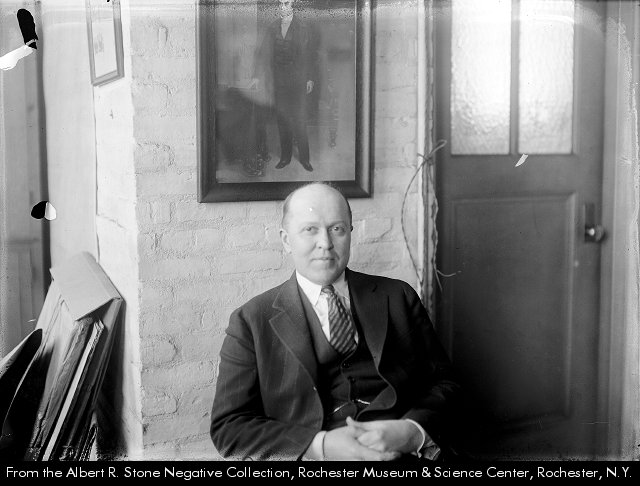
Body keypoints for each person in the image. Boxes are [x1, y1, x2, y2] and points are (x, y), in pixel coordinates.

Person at [210, 183, 461, 461]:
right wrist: (321, 445)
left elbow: (446, 384)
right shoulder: (251, 320)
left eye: (337, 229)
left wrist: (411, 431)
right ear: (286, 240)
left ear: (350, 233)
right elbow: (229, 428)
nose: (326, 243)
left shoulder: (398, 296)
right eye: (310, 229)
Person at [250, 0, 319, 172]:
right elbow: (263, 52)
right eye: (280, 3)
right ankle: (285, 157)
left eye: (286, 3)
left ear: (293, 4)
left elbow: (310, 55)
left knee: (299, 119)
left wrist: (310, 78)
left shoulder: (302, 27)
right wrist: (257, 76)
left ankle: (305, 159)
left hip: (298, 80)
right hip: (279, 80)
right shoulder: (273, 27)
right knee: (283, 119)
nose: (282, 7)